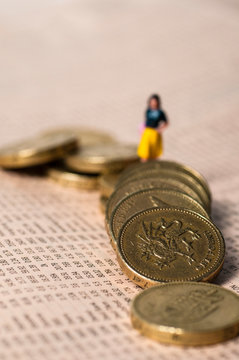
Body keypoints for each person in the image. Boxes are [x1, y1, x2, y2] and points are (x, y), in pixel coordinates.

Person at [137, 94, 168, 162]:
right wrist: (142, 129)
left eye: (155, 101)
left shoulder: (160, 112)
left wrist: (160, 129)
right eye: (152, 101)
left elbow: (166, 122)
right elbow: (146, 121)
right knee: (144, 151)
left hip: (155, 133)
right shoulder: (148, 111)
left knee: (154, 152)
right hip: (147, 132)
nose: (153, 103)